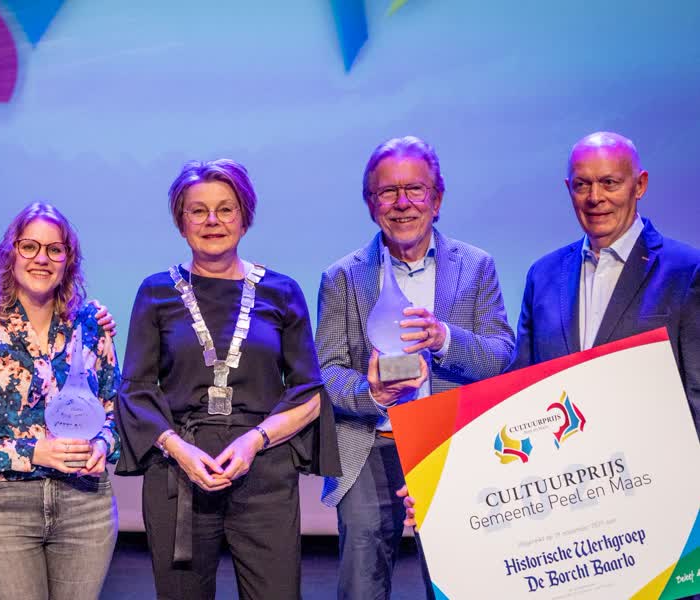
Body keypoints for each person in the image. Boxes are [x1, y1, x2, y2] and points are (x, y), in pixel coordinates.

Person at [115, 159, 340, 600]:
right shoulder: (155, 291)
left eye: (225, 209)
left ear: (245, 217)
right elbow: (135, 390)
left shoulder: (282, 291)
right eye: (198, 211)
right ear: (181, 222)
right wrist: (180, 451)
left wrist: (254, 441)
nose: (212, 221)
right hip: (180, 471)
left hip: (264, 469)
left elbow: (309, 393)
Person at [315, 136, 515, 599]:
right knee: (361, 585)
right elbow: (327, 371)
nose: (402, 203)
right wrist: (372, 394)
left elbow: (502, 354)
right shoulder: (342, 276)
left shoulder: (476, 266)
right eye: (388, 192)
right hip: (371, 444)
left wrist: (444, 338)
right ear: (371, 203)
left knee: (460, 584)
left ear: (437, 199)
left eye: (415, 190)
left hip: (452, 445)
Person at [0, 202, 120, 600]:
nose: (42, 258)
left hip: (84, 503)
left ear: (68, 260)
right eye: (29, 247)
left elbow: (114, 413)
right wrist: (36, 452)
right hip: (1, 504)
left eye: (55, 249)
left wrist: (102, 446)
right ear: (11, 254)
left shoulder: (91, 326)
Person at [511, 131, 700, 436]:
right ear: (568, 189)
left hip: (654, 461)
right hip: (565, 462)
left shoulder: (687, 271)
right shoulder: (543, 275)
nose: (595, 197)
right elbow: (519, 390)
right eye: (582, 185)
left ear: (640, 185)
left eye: (609, 182)